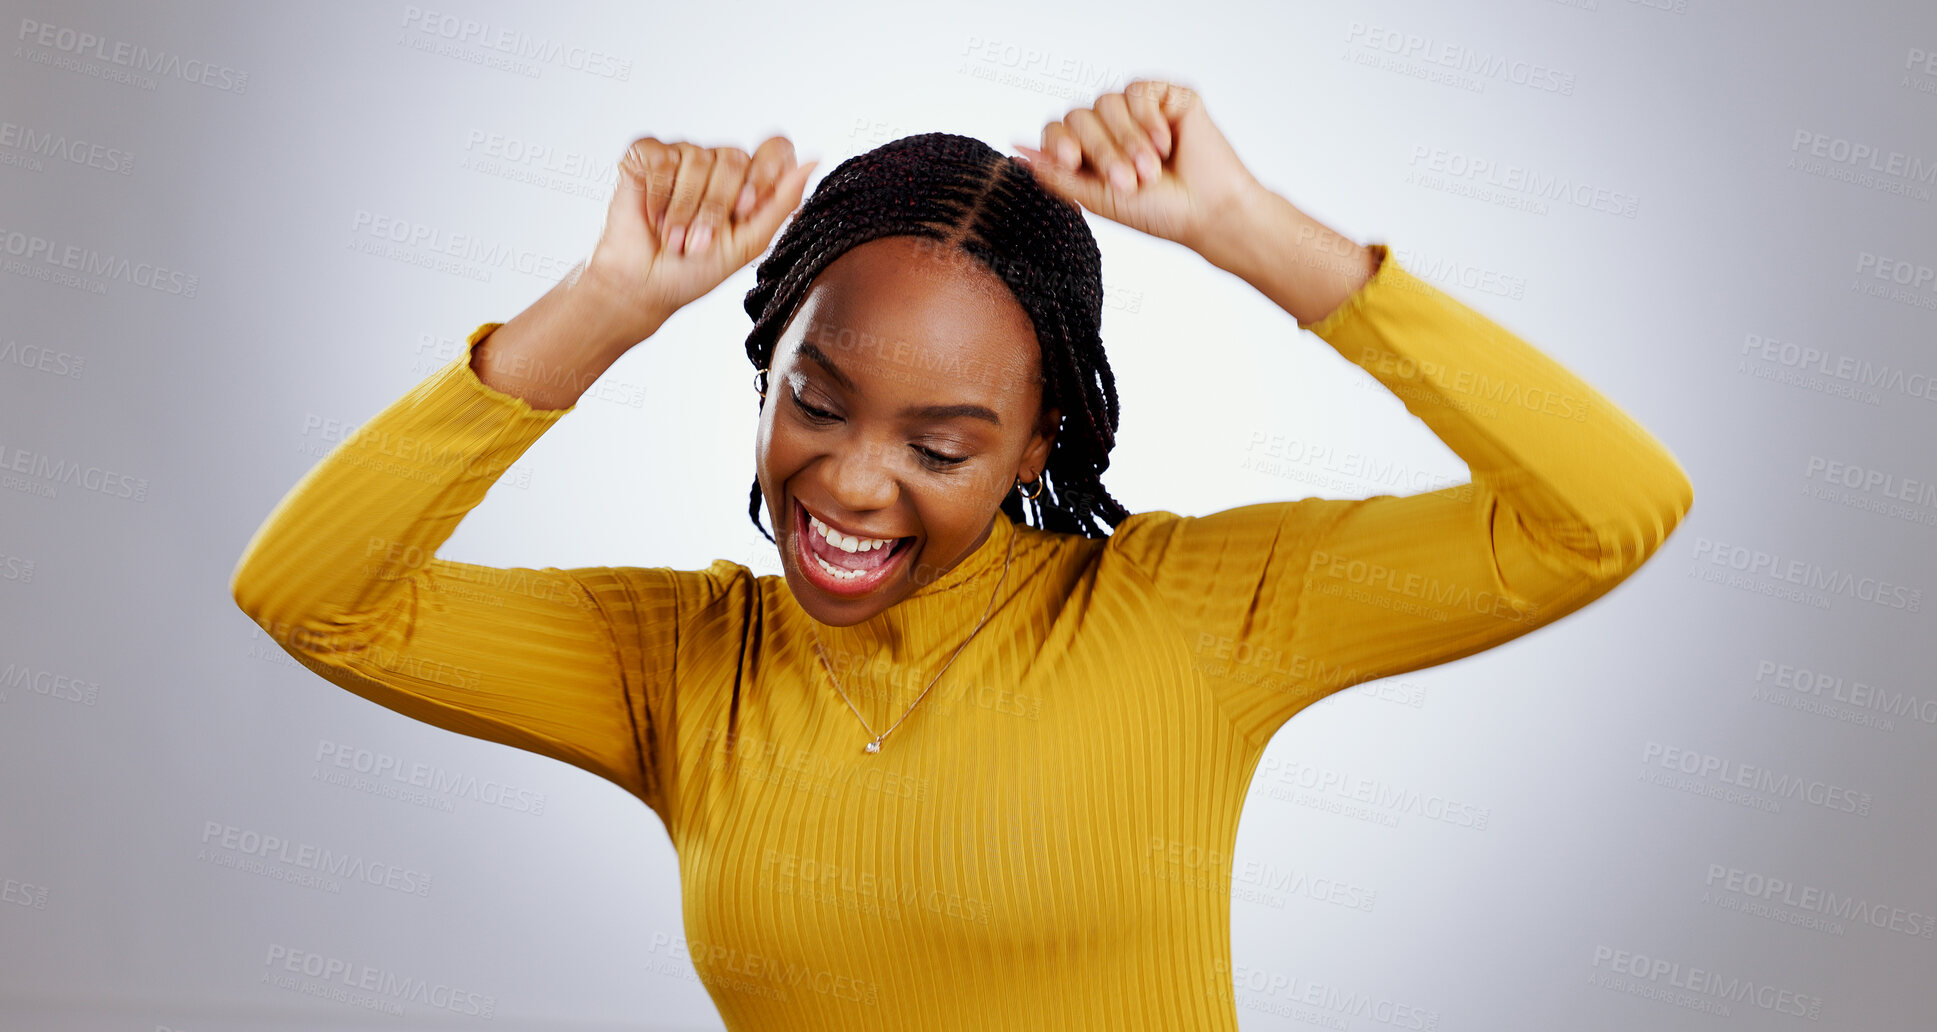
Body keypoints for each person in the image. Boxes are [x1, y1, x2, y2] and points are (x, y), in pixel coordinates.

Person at [231, 80, 1693, 1030]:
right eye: (814, 403)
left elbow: (1604, 508)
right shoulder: (673, 663)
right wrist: (605, 303)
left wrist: (1252, 232)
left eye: (941, 447)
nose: (853, 484)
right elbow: (312, 601)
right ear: (763, 376)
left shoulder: (1191, 614)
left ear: (1038, 444)